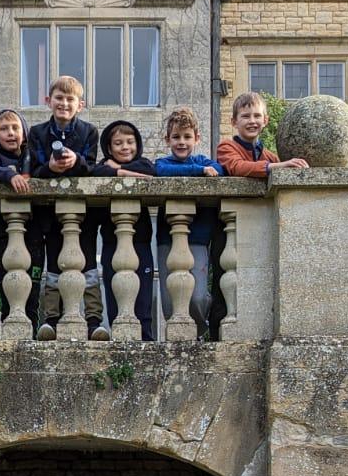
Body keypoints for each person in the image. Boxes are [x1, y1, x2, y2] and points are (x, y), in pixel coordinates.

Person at [28, 75, 100, 339]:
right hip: (50, 213)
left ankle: (93, 319)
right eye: (59, 98)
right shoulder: (37, 133)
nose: (64, 103)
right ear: (48, 101)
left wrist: (75, 160)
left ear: (80, 104)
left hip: (83, 214)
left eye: (70, 99)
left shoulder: (89, 131)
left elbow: (91, 168)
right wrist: (50, 167)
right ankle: (52, 318)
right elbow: (34, 171)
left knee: (89, 265)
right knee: (54, 266)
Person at [153, 106, 224, 336]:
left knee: (197, 297)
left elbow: (219, 170)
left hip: (198, 238)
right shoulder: (163, 163)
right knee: (169, 302)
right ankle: (182, 337)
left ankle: (200, 329)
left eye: (187, 137)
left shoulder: (206, 162)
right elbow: (162, 172)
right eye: (176, 137)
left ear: (197, 138)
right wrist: (199, 171)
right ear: (167, 139)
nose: (181, 142)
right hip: (168, 239)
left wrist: (203, 168)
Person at [91, 119, 157, 340]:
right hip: (112, 243)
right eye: (118, 143)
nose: (125, 147)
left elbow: (150, 173)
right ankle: (118, 338)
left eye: (130, 142)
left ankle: (146, 338)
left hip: (141, 242)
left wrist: (118, 170)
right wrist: (118, 172)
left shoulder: (143, 163)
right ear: (109, 148)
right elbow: (95, 173)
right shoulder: (103, 167)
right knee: (115, 293)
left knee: (143, 296)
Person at [0, 109, 39, 331]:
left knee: (33, 288)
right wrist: (10, 175)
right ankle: (11, 330)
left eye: (15, 128)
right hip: (2, 234)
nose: (11, 133)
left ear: (24, 131)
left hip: (34, 232)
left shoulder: (32, 158)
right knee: (7, 287)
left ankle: (33, 332)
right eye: (4, 129)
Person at [214, 91, 309, 178]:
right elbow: (238, 167)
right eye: (246, 116)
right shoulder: (226, 148)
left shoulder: (271, 158)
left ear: (265, 121)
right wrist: (274, 166)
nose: (252, 121)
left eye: (257, 116)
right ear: (234, 122)